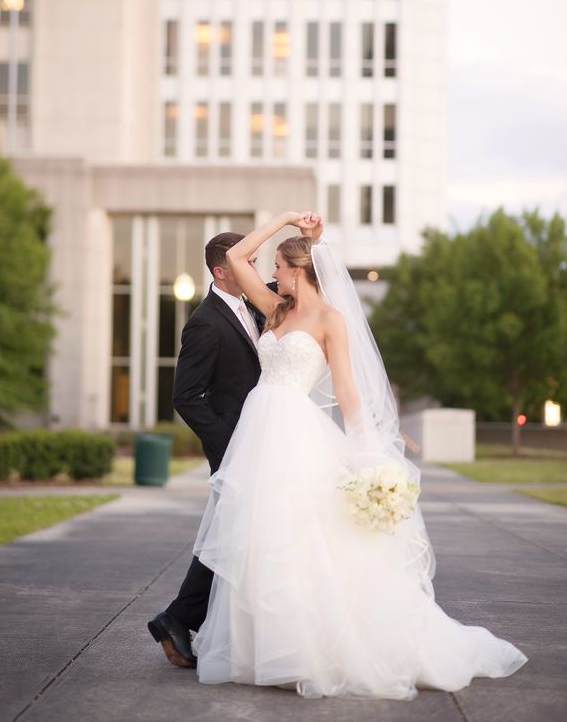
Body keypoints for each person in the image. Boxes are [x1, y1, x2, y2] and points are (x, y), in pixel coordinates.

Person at [191, 211, 528, 699]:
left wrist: (367, 451)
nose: (273, 274)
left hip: (294, 434)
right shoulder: (276, 310)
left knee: (303, 540)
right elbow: (237, 256)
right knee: (264, 536)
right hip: (259, 432)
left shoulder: (330, 320)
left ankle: (313, 650)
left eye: (282, 268)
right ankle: (267, 649)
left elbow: (347, 392)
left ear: (300, 270)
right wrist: (285, 220)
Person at [147, 225, 314, 667]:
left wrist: (310, 241)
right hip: (238, 445)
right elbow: (186, 395)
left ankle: (180, 619)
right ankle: (181, 619)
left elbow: (306, 279)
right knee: (235, 534)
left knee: (239, 534)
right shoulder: (204, 321)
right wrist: (230, 441)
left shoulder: (252, 307)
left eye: (260, 262)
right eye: (247, 263)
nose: (256, 269)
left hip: (271, 439)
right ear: (222, 272)